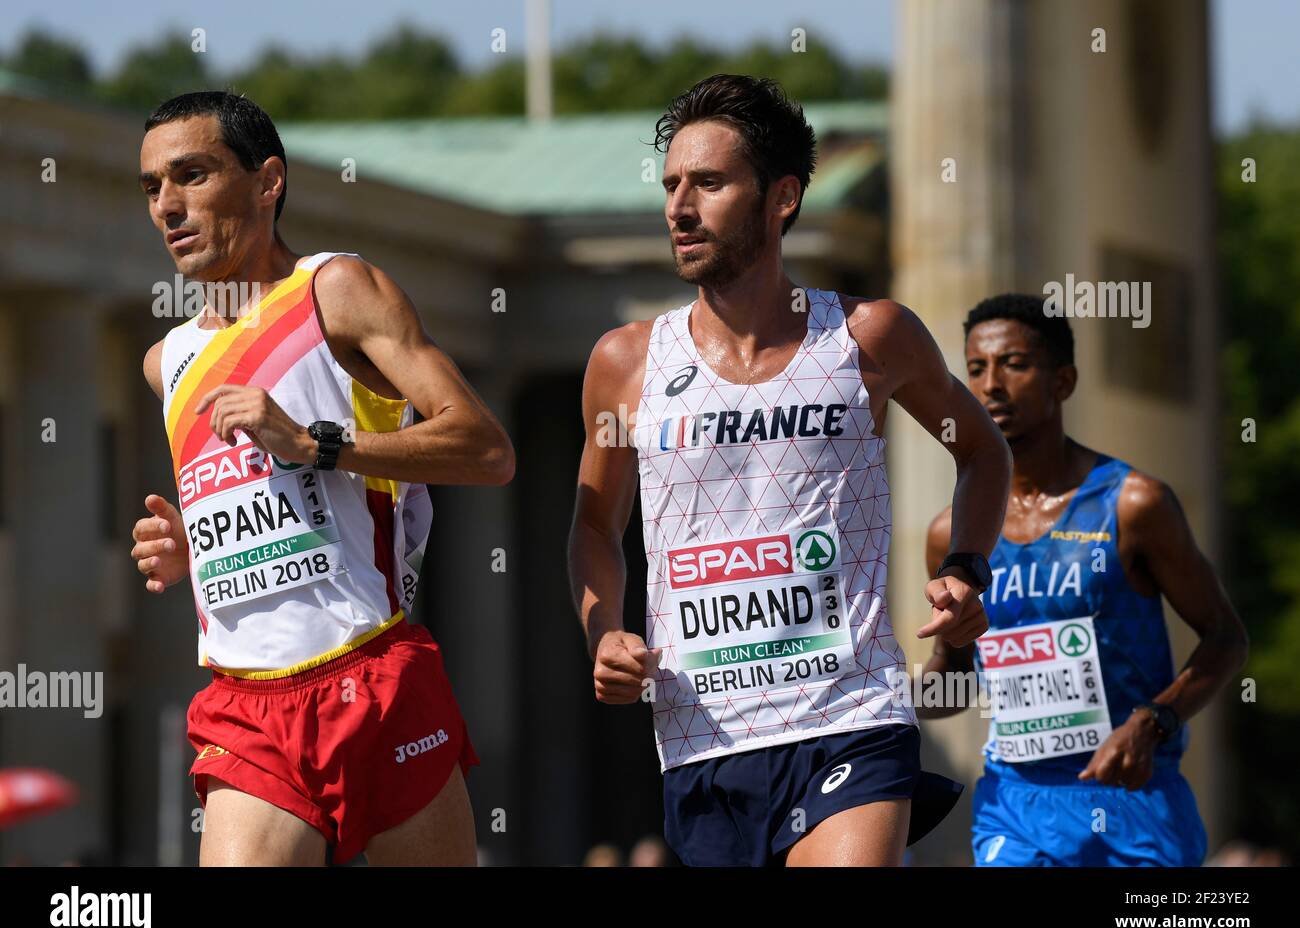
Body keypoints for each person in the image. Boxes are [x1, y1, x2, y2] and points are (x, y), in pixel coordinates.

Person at [567, 75, 1012, 866]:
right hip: (706, 733)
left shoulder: (870, 338)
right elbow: (596, 525)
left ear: (782, 197)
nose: (679, 207)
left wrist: (965, 569)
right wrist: (604, 630)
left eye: (708, 183)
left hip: (852, 712)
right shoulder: (625, 363)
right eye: (672, 185)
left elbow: (981, 451)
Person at [130, 91, 514, 865]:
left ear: (268, 181)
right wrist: (193, 549)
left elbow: (484, 448)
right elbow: (274, 507)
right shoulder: (164, 361)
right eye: (151, 187)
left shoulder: (334, 290)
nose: (168, 205)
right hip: (246, 703)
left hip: (370, 674)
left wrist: (316, 443)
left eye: (191, 175)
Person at [919, 293, 1249, 866]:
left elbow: (1226, 638)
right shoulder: (953, 534)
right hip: (1015, 808)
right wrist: (897, 684)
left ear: (1063, 381)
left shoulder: (1133, 504)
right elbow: (954, 688)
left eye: (1014, 364)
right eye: (976, 368)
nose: (992, 383)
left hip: (1132, 803)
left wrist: (1154, 721)